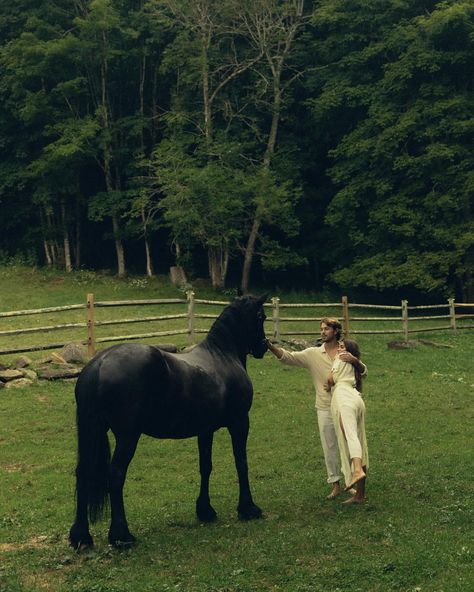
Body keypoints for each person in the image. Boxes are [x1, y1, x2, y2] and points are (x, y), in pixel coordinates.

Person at [266, 318, 367, 500]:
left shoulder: (345, 350)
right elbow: (288, 357)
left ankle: (353, 482)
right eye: (321, 329)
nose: (322, 332)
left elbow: (364, 372)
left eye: (326, 329)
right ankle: (335, 484)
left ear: (336, 331)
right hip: (324, 407)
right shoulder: (313, 353)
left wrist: (355, 361)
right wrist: (270, 346)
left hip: (345, 403)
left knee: (349, 440)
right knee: (330, 446)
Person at [327, 339, 368, 504]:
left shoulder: (341, 358)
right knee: (357, 441)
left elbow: (330, 380)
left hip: (344, 397)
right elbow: (365, 371)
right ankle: (359, 494)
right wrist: (355, 360)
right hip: (355, 397)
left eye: (343, 346)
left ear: (348, 350)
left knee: (351, 437)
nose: (339, 349)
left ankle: (357, 471)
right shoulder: (352, 364)